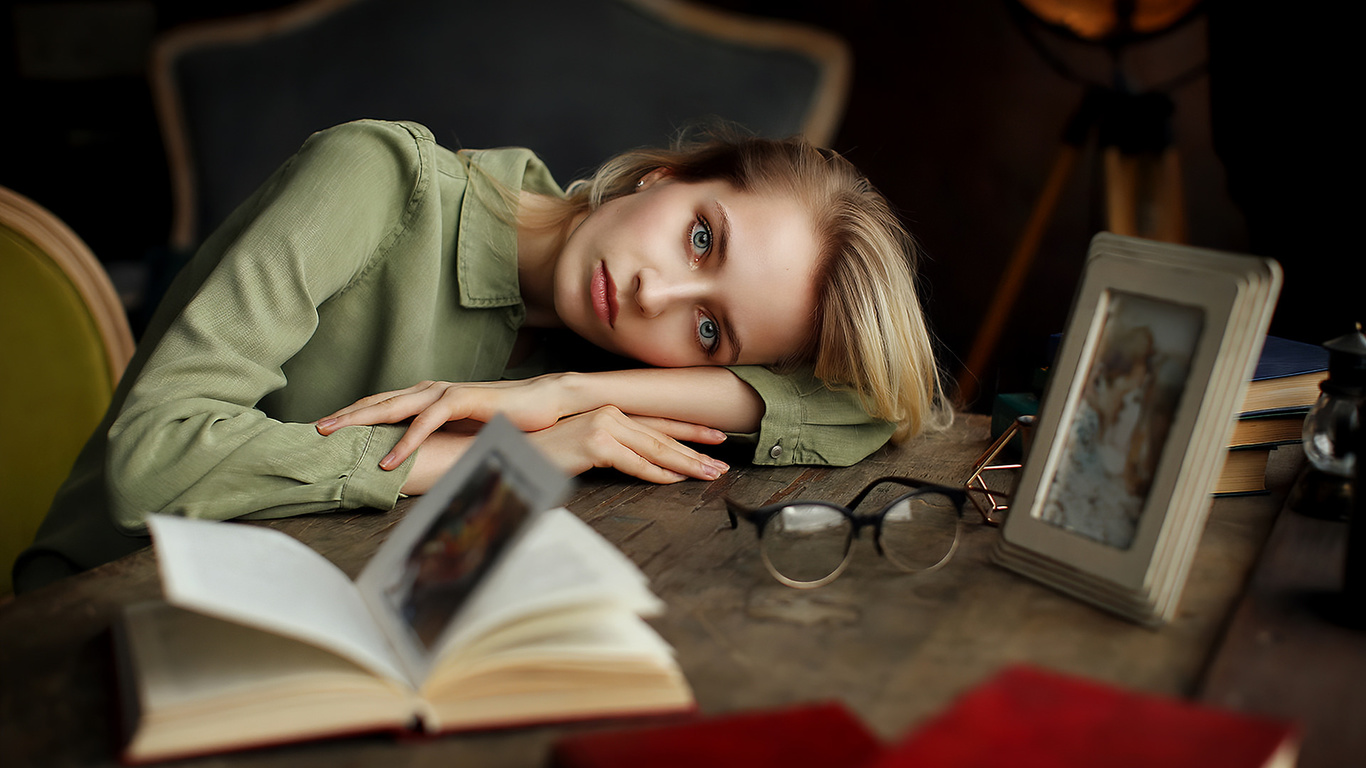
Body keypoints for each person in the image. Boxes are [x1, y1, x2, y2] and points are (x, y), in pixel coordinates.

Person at [13, 119, 950, 592]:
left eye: (710, 334)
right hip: (104, 616)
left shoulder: (596, 363)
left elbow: (872, 409)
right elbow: (153, 462)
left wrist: (563, 389)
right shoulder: (376, 180)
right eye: (701, 239)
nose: (654, 295)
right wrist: (509, 454)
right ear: (669, 175)